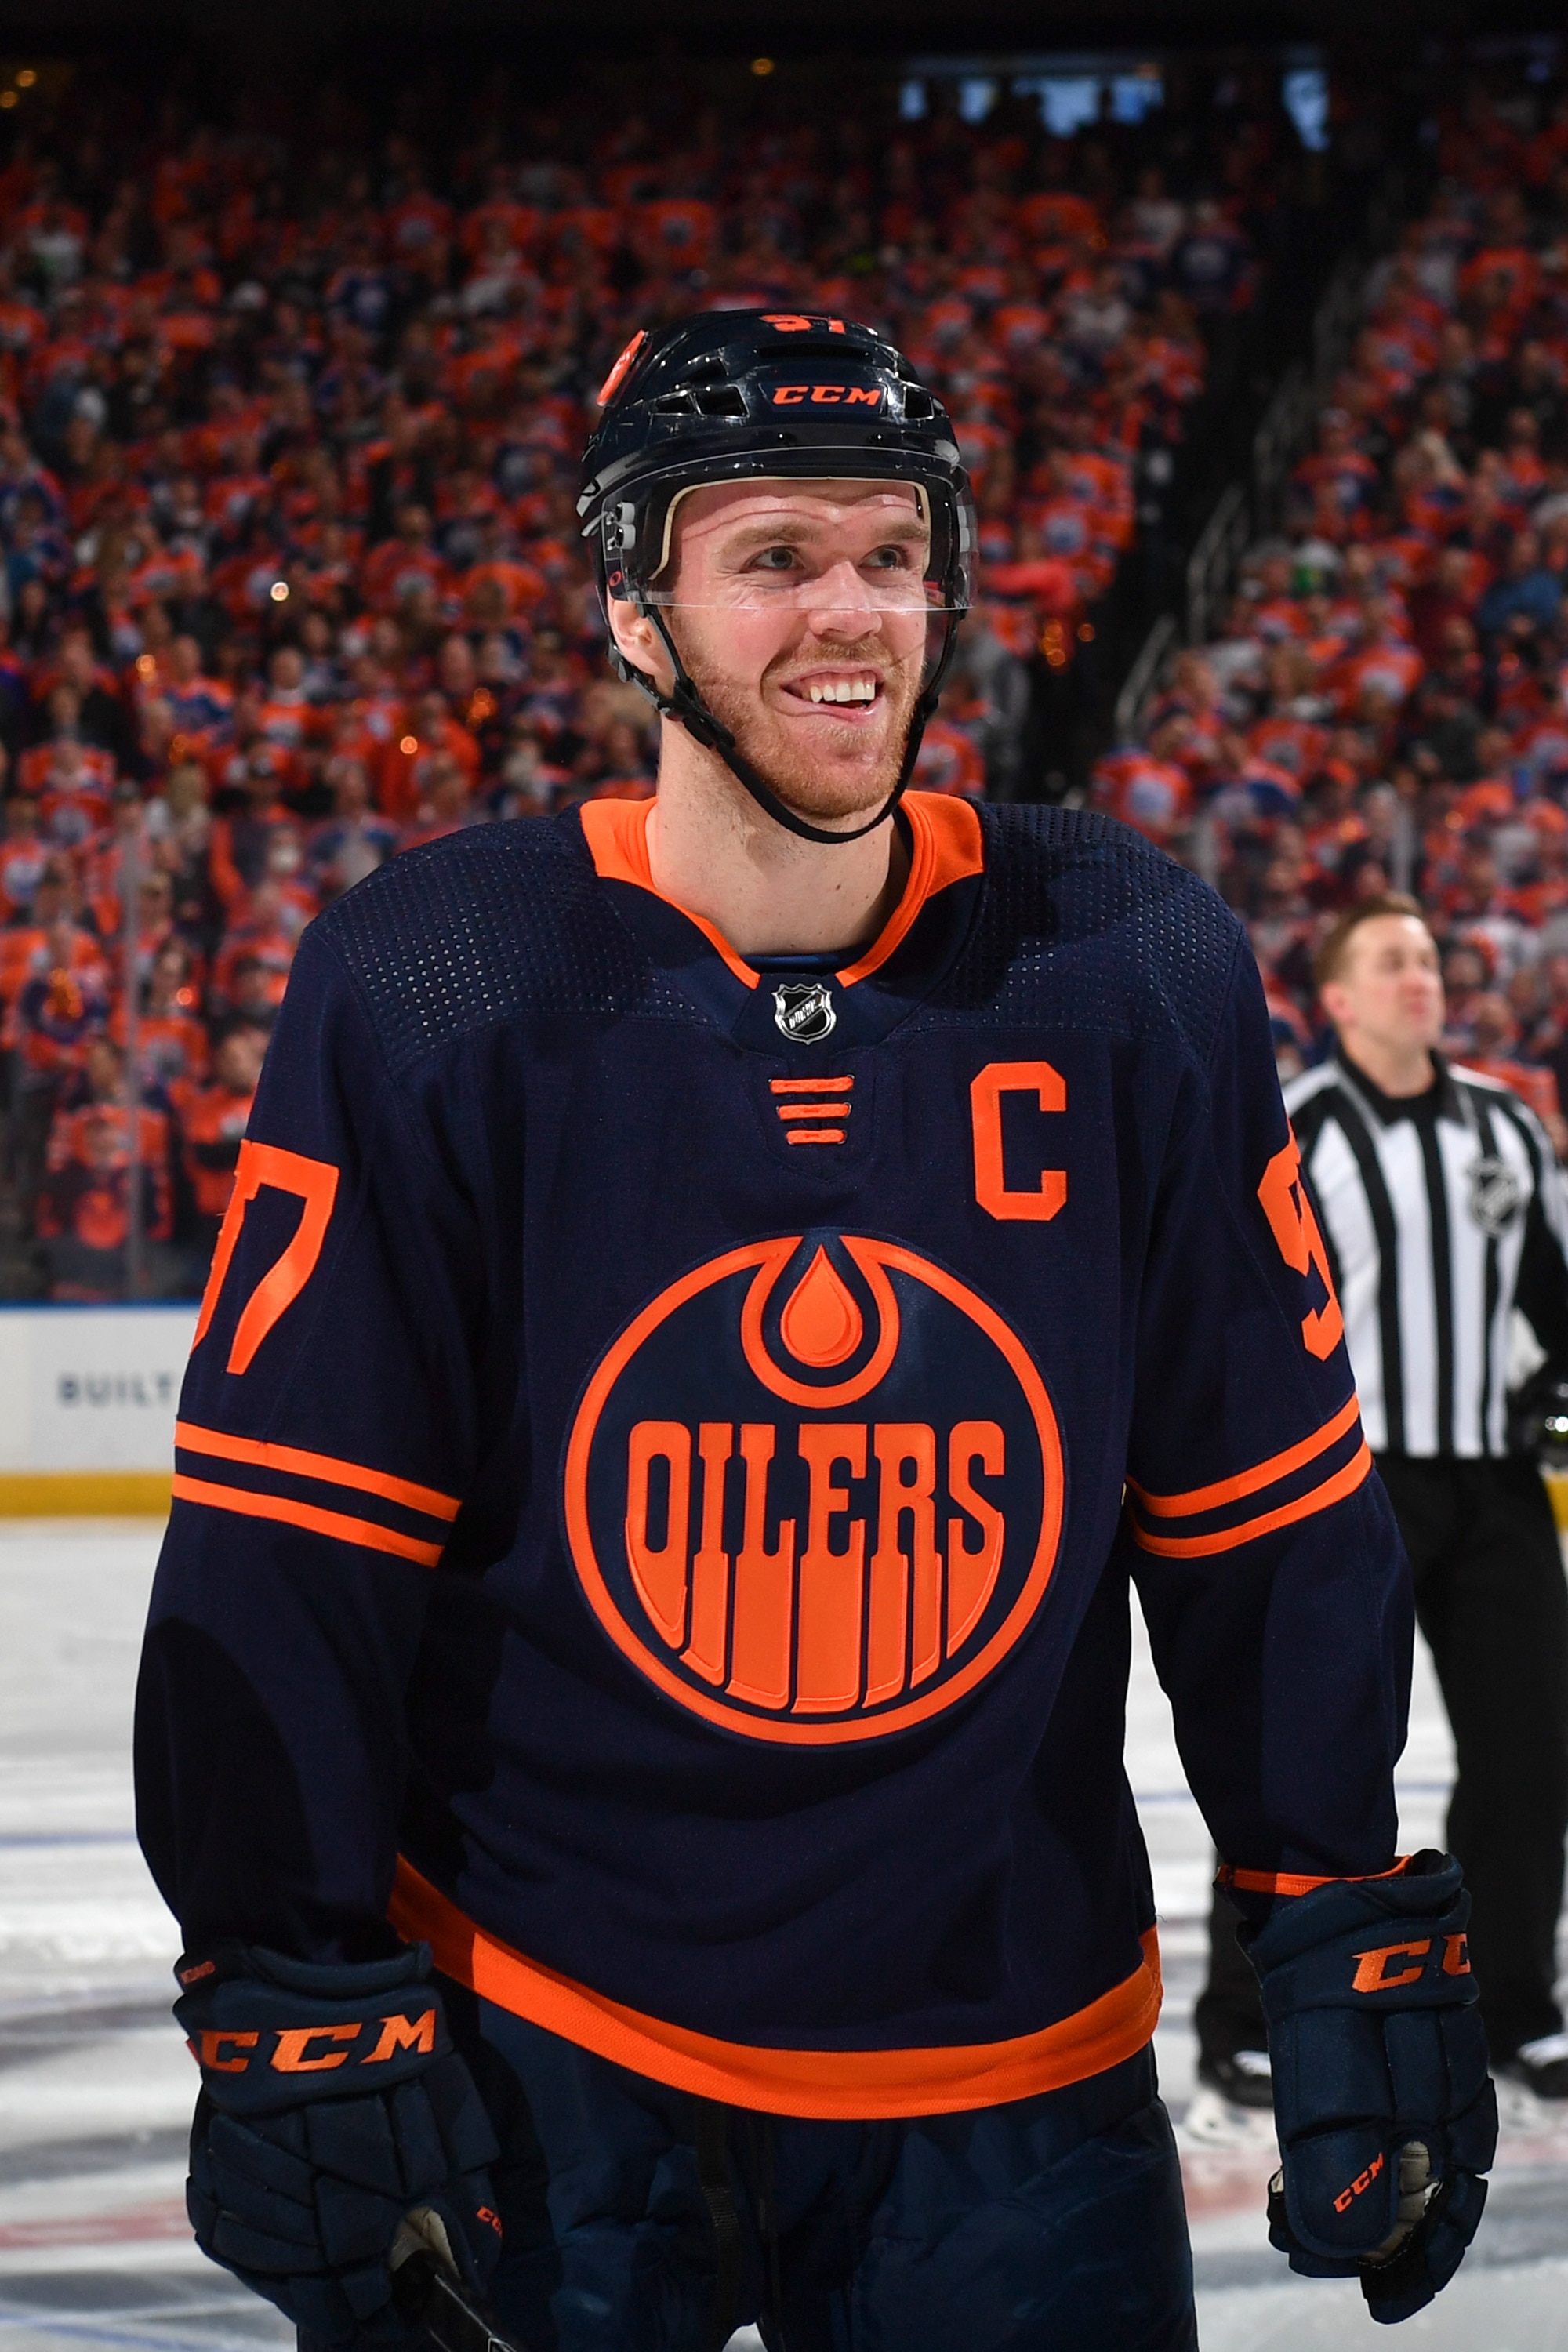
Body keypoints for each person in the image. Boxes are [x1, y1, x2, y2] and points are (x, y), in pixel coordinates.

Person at [135, 318, 1493, 2352]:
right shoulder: (431, 982)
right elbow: (295, 1551)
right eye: (772, 554)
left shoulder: (1132, 958)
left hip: (1013, 2066)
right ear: (635, 606)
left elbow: (1265, 1504)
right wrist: (287, 1978)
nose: (848, 612)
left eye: (890, 550)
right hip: (543, 2046)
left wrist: (1335, 1901)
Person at [1196, 891, 1568, 2110]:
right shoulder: (1295, 1125)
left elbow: (1553, 1301)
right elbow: (1241, 1305)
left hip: (1497, 1482)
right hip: (1353, 1482)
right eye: (1392, 962)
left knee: (1528, 1753)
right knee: (1308, 1746)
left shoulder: (1507, 1128)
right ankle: (1249, 2015)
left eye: (1429, 957)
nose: (1422, 977)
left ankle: (1515, 2003)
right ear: (1340, 1000)